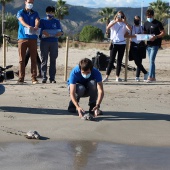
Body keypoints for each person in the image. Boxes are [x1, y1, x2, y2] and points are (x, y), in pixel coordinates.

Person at [103, 11, 131, 82]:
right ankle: (106, 76)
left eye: (121, 16)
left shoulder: (124, 24)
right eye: (118, 16)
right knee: (111, 60)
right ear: (116, 16)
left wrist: (125, 22)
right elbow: (108, 27)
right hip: (114, 43)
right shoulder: (113, 22)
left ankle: (117, 77)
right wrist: (116, 21)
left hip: (122, 43)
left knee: (119, 61)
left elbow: (130, 29)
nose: (119, 18)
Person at [17, 0, 40, 84]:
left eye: (32, 3)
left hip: (33, 38)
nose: (30, 4)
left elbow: (37, 20)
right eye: (29, 2)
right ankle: (21, 77)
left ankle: (34, 77)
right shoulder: (20, 12)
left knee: (33, 58)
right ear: (25, 2)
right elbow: (21, 20)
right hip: (22, 38)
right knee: (21, 59)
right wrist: (28, 26)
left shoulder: (35, 13)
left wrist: (36, 26)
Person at [39, 6, 63, 83]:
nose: (51, 14)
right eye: (49, 12)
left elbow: (61, 31)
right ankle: (44, 76)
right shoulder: (42, 21)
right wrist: (43, 33)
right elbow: (40, 31)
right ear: (46, 12)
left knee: (53, 60)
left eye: (52, 12)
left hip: (54, 42)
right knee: (44, 60)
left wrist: (60, 33)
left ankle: (52, 78)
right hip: (44, 42)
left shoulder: (56, 21)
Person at [144, 9, 165, 82]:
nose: (148, 17)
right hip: (148, 45)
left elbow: (163, 32)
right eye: (147, 16)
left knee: (152, 60)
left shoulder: (158, 23)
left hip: (155, 45)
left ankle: (150, 76)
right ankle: (153, 77)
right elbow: (144, 32)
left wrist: (156, 37)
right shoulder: (146, 23)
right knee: (151, 61)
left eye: (149, 16)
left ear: (153, 15)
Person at [128, 15, 148, 82]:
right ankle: (145, 72)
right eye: (135, 19)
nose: (137, 21)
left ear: (139, 20)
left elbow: (145, 35)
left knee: (139, 61)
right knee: (136, 61)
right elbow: (126, 35)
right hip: (133, 45)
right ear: (134, 20)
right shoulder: (131, 27)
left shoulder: (142, 28)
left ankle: (137, 76)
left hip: (141, 45)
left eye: (138, 19)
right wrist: (134, 36)